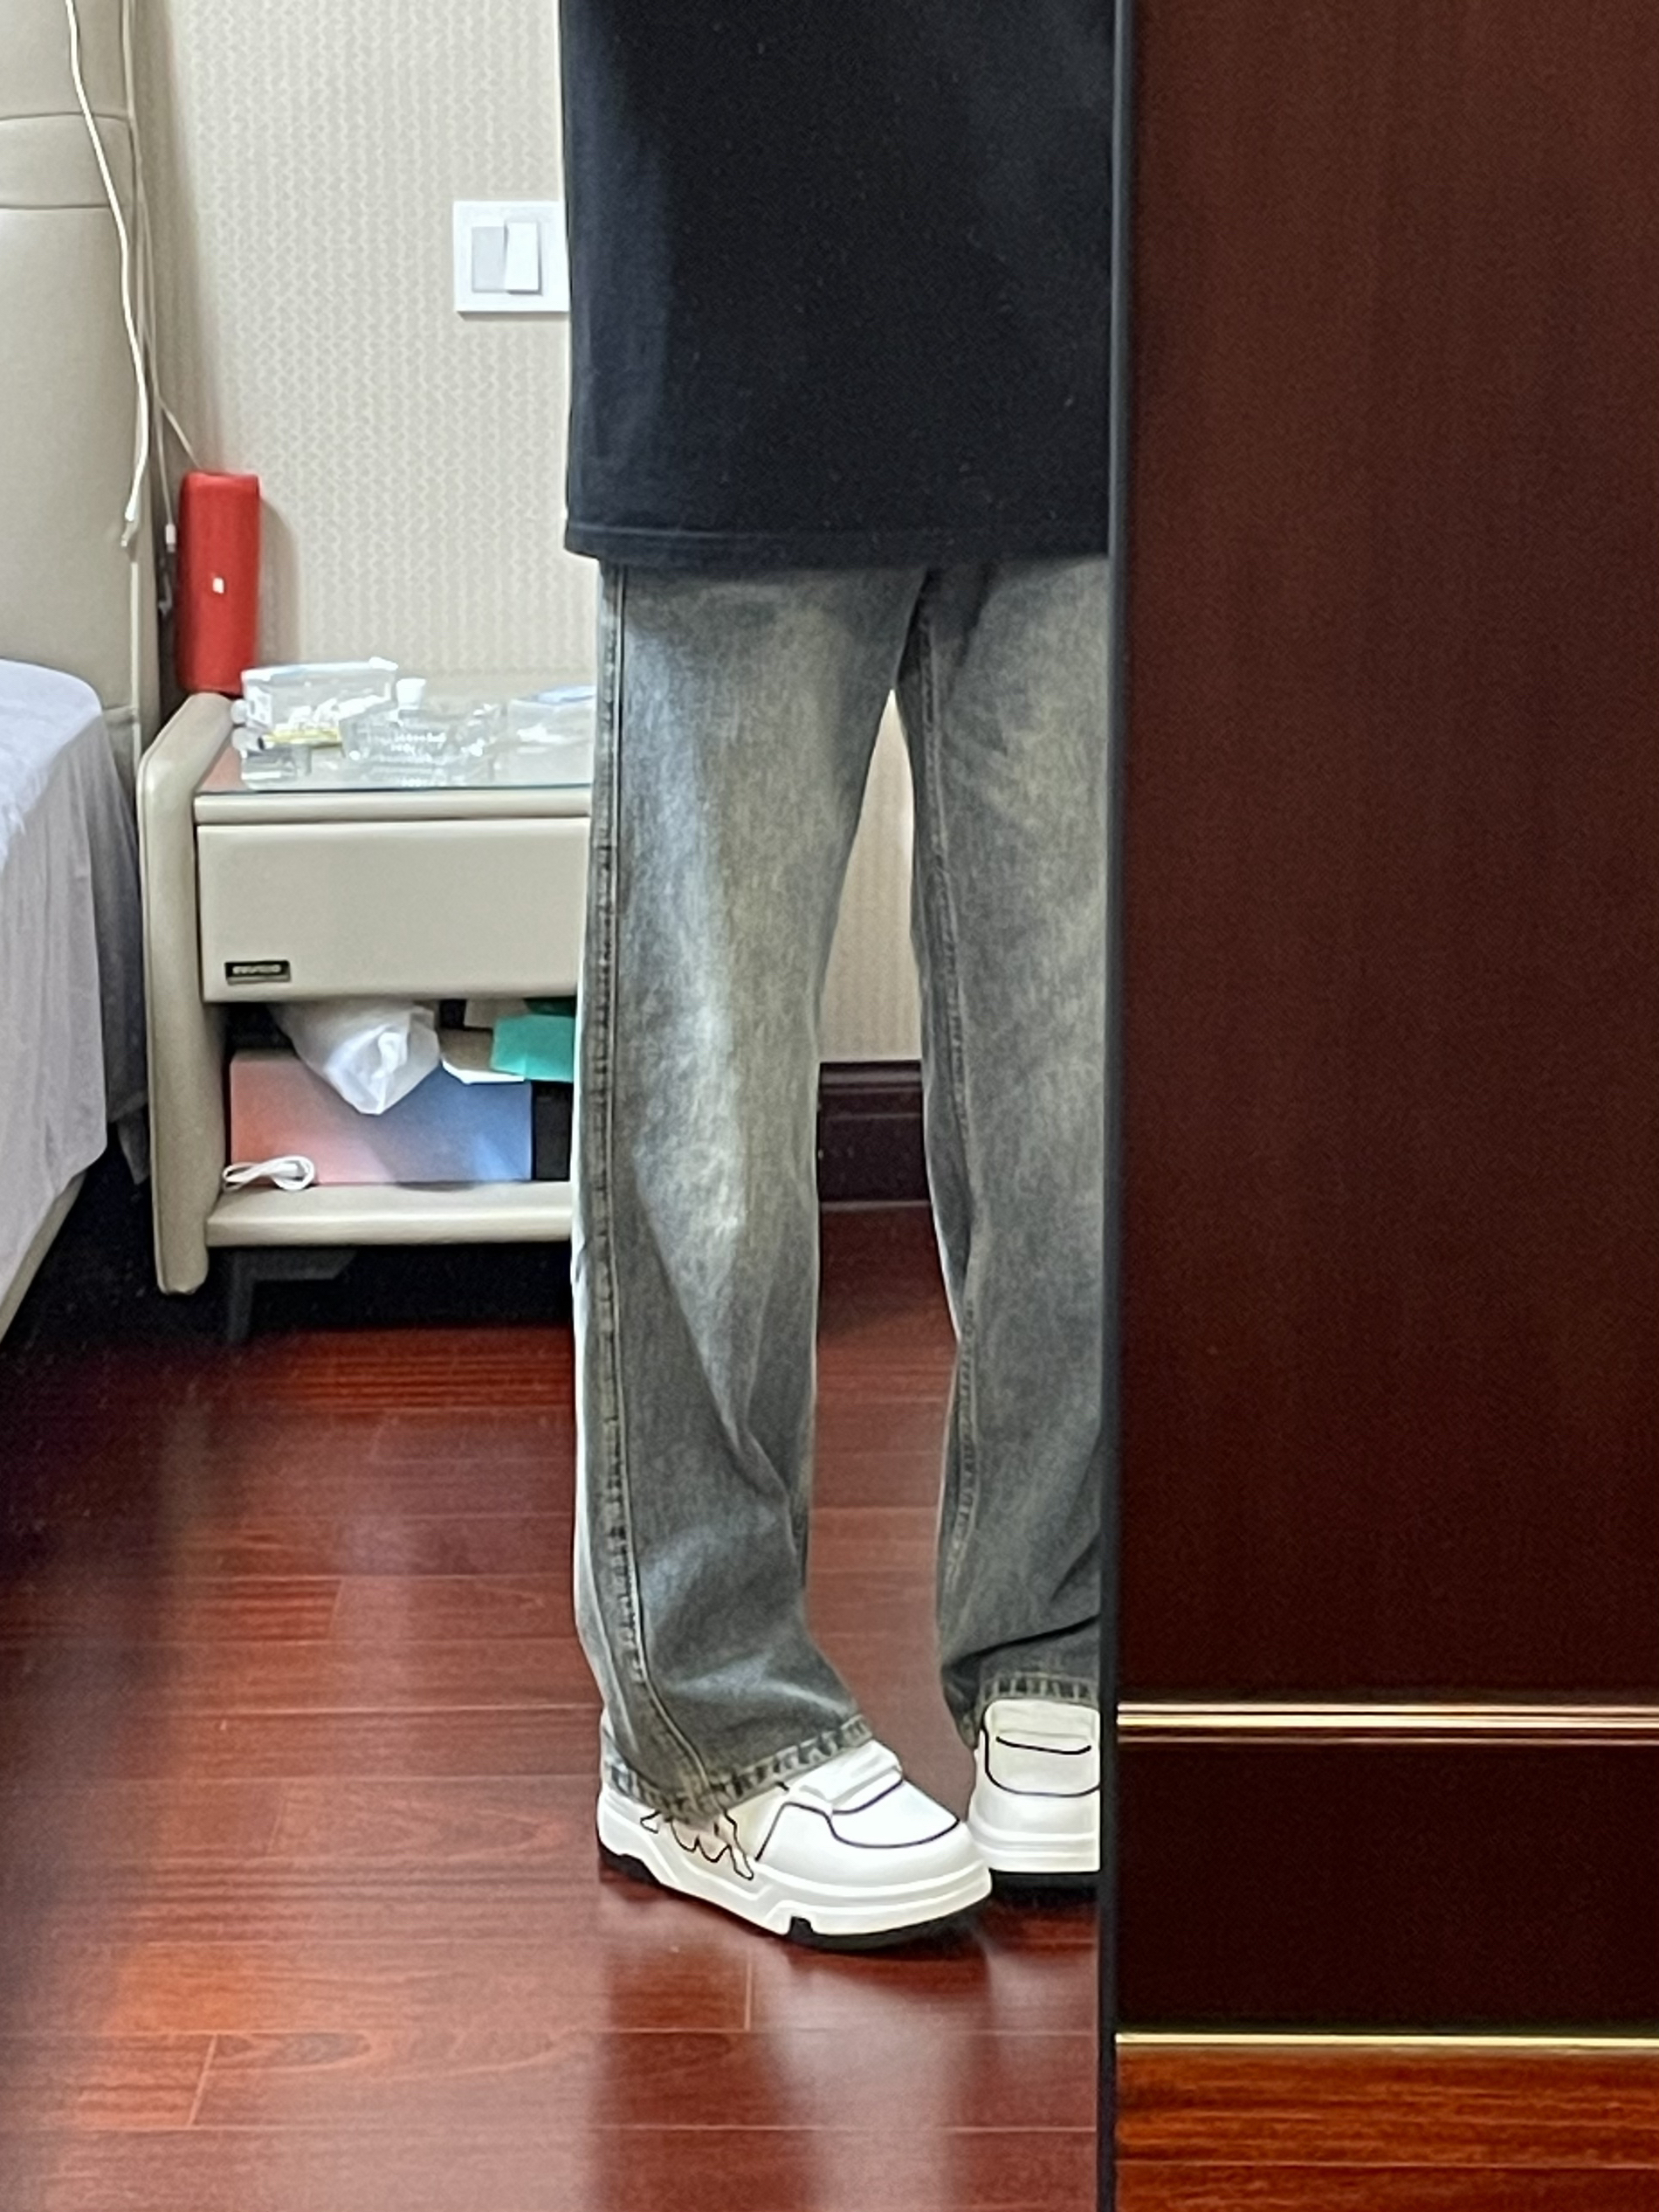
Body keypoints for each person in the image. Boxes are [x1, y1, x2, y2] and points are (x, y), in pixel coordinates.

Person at [557, 0, 1110, 1948]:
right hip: (741, 304)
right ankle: (698, 1730)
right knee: (706, 1090)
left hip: (1073, 288)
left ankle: (1056, 1638)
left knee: (1077, 1091)